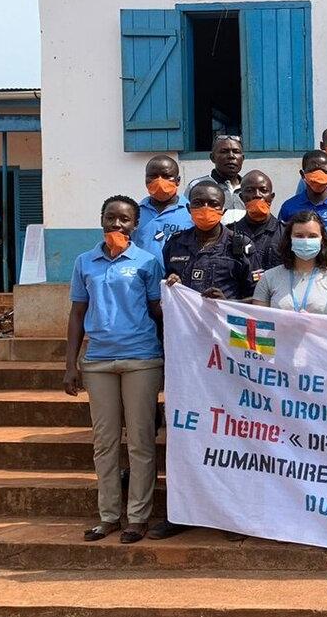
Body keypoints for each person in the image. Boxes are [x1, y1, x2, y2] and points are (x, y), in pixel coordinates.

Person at [64, 195, 163, 544]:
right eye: (111, 217)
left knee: (140, 442)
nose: (117, 224)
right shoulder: (84, 262)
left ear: (135, 225)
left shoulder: (147, 261)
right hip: (98, 362)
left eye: (124, 219)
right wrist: (70, 364)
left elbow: (157, 310)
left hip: (141, 359)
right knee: (104, 442)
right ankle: (108, 516)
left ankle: (137, 517)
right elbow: (77, 313)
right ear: (102, 220)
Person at [161, 180, 259, 302]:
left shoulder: (241, 245)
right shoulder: (175, 243)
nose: (205, 208)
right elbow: (164, 287)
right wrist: (174, 284)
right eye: (198, 203)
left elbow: (258, 297)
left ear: (223, 211)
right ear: (188, 208)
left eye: (213, 204)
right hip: (185, 314)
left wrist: (226, 303)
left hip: (223, 314)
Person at [252, 211, 327, 317]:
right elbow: (257, 321)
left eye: (312, 236)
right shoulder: (269, 277)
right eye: (299, 236)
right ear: (290, 239)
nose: (306, 241)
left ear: (322, 240)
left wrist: (315, 323)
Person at [133, 155, 191, 265]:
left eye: (166, 176)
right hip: (141, 274)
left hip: (177, 274)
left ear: (178, 180)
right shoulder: (134, 213)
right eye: (153, 176)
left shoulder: (191, 212)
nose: (159, 181)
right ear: (145, 179)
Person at [230, 170, 284, 272]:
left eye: (263, 190)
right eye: (250, 190)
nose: (257, 195)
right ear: (241, 197)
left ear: (271, 197)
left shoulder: (285, 233)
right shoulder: (230, 233)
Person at [185, 135, 245, 222]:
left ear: (242, 158)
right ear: (212, 158)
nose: (231, 156)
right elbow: (187, 220)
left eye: (236, 152)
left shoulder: (251, 188)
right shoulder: (197, 186)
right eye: (224, 151)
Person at [278, 150, 327, 227]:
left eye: (324, 171)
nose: (318, 175)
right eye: (312, 171)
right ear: (303, 174)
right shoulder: (289, 207)